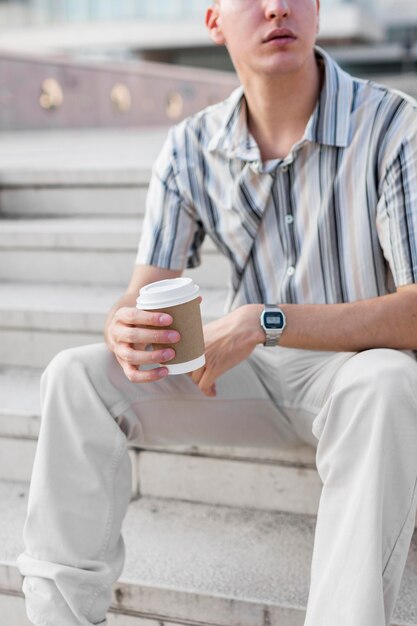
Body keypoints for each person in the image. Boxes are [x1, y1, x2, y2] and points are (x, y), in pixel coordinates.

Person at [17, 0, 417, 625]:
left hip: (354, 372)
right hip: (244, 376)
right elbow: (143, 287)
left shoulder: (394, 125)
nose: (275, 8)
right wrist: (123, 327)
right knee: (75, 375)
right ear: (214, 22)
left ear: (314, 11)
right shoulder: (190, 146)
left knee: (390, 383)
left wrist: (264, 320)